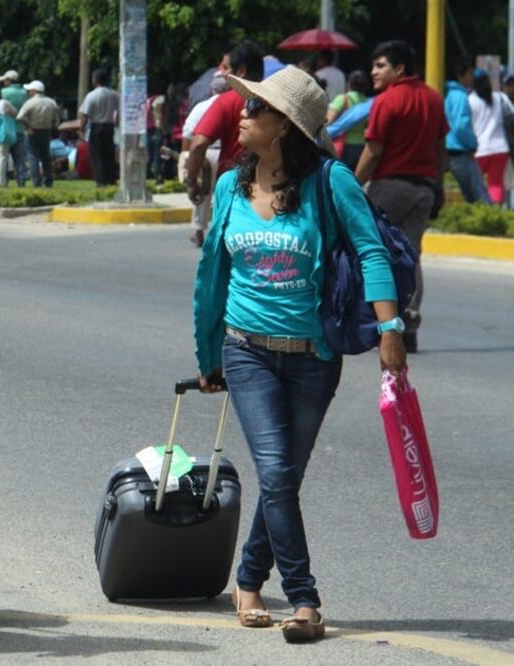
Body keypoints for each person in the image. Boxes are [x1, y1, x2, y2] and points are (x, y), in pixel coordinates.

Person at [194, 65, 406, 645]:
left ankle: (247, 579)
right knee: (278, 471)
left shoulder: (331, 182)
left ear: (286, 124)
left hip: (314, 356)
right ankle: (305, 599)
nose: (242, 114)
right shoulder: (229, 185)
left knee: (283, 477)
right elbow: (212, 272)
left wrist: (390, 327)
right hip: (247, 351)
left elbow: (371, 251)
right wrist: (209, 353)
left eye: (256, 108)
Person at [356, 41, 446, 354]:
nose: (374, 72)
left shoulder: (387, 100)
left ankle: (377, 320)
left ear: (399, 69)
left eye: (380, 66)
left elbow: (374, 150)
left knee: (374, 252)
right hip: (423, 188)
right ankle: (409, 318)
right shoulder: (434, 99)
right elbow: (440, 146)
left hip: (389, 186)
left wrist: (351, 185)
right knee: (411, 254)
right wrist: (438, 184)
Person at [186, 41, 264, 204]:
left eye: (227, 68)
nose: (223, 73)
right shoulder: (275, 101)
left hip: (234, 188)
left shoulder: (226, 101)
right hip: (269, 187)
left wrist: (191, 182)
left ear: (241, 71)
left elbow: (198, 144)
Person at [180, 74, 229, 247]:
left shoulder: (202, 106)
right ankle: (222, 232)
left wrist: (186, 158)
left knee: (201, 192)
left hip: (205, 153)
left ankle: (199, 230)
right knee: (226, 194)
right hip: (227, 152)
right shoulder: (232, 103)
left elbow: (188, 134)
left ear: (212, 89)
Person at [443, 59, 489, 204]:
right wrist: (473, 144)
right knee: (479, 197)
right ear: (460, 76)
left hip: (450, 151)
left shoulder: (449, 94)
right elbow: (461, 127)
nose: (472, 77)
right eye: (469, 74)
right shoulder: (460, 96)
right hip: (461, 152)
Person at [468, 69, 514, 205]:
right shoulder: (500, 97)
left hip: (480, 149)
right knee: (496, 183)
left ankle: (479, 211)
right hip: (501, 149)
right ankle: (495, 211)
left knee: (476, 183)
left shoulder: (470, 100)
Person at [79, 68, 120, 186]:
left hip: (96, 127)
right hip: (109, 127)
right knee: (109, 153)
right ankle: (111, 178)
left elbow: (85, 115)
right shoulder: (114, 94)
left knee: (96, 154)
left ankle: (101, 180)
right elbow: (119, 111)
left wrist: (81, 129)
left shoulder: (92, 95)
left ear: (95, 80)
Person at [17, 80, 59, 187]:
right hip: (46, 130)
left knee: (32, 156)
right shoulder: (51, 102)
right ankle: (48, 180)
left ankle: (36, 181)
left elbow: (20, 117)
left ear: (34, 91)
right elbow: (56, 120)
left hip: (33, 131)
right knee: (46, 156)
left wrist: (28, 126)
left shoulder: (30, 102)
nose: (29, 92)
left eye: (30, 90)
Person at [326, 70, 370, 172]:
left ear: (349, 83)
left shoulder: (343, 99)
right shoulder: (367, 102)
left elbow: (329, 121)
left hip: (343, 145)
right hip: (362, 145)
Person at [0, 69, 28, 185]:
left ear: (9, 81)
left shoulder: (3, 92)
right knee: (20, 158)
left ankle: (4, 180)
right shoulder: (24, 93)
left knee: (4, 157)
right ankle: (21, 180)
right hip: (20, 128)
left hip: (6, 129)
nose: (3, 82)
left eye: (5, 80)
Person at [145, 86, 167, 182]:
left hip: (148, 130)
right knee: (157, 154)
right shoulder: (160, 100)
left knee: (150, 154)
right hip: (158, 129)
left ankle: (147, 174)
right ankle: (158, 175)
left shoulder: (146, 101)